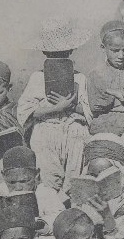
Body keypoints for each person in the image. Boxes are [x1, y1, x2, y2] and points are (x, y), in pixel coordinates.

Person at [17, 19, 93, 192]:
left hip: (74, 132)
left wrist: (72, 106)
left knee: (74, 181)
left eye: (63, 53)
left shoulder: (80, 78)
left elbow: (89, 110)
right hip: (46, 131)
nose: (58, 57)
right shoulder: (37, 77)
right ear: (44, 52)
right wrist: (56, 108)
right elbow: (26, 111)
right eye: (53, 54)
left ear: (71, 50)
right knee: (48, 180)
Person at [86, 21, 124, 136]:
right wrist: (120, 97)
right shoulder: (96, 74)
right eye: (115, 51)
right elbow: (96, 106)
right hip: (104, 123)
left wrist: (122, 95)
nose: (120, 56)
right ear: (103, 48)